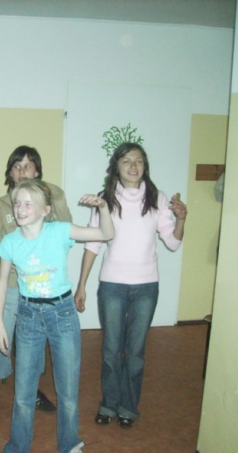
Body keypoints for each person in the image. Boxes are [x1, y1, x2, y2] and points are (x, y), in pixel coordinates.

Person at [0, 179, 114, 453]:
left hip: (62, 314)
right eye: (17, 202)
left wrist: (103, 207)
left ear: (45, 210)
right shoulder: (10, 242)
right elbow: (1, 282)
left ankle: (70, 445)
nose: (20, 208)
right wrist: (0, 321)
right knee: (23, 392)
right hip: (28, 316)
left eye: (28, 203)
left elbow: (106, 233)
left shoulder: (60, 231)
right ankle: (17, 450)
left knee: (68, 390)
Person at [74, 142, 188, 428]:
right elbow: (93, 243)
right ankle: (108, 404)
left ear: (145, 166)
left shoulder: (157, 198)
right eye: (126, 161)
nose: (133, 166)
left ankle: (128, 407)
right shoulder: (105, 199)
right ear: (116, 166)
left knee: (135, 352)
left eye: (138, 160)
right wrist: (81, 285)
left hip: (146, 287)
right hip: (112, 286)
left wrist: (181, 220)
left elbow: (173, 242)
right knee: (111, 349)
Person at [0, 146, 72, 418]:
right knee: (1, 337)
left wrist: (49, 192)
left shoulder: (47, 202)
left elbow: (66, 228)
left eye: (28, 166)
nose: (22, 171)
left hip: (39, 288)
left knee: (35, 342)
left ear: (37, 172)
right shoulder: (0, 205)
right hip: (8, 285)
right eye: (17, 166)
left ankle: (33, 390)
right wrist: (15, 257)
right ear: (10, 172)